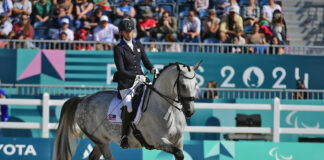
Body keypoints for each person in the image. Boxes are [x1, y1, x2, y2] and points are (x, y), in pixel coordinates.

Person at [113, 18, 158, 149]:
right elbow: (121, 70)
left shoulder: (138, 44)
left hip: (141, 81)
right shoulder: (119, 48)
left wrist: (152, 68)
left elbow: (145, 61)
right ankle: (124, 136)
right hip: (126, 84)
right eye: (126, 32)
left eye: (131, 31)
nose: (129, 34)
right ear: (121, 32)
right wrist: (137, 76)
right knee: (130, 107)